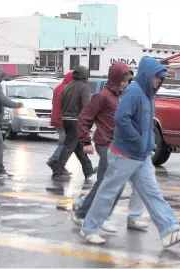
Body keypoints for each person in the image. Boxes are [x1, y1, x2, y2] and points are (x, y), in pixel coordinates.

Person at [80, 56, 180, 247]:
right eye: (158, 78)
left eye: (161, 78)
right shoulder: (134, 92)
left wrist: (147, 143)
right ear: (148, 75)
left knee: (153, 193)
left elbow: (145, 124)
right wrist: (140, 141)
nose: (159, 82)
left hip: (140, 155)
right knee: (108, 191)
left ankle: (169, 231)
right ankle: (89, 228)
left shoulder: (147, 94)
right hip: (124, 154)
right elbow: (122, 119)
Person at [71, 62, 148, 233]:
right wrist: (85, 142)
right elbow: (84, 118)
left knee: (111, 184)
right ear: (115, 79)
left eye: (128, 81)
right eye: (123, 80)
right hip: (105, 144)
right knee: (106, 183)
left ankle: (95, 213)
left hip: (119, 145)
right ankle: (83, 214)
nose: (126, 83)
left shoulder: (122, 97)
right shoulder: (102, 96)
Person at [50, 65, 96, 181]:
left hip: (66, 120)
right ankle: (58, 171)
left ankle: (88, 170)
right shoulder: (84, 87)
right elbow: (86, 107)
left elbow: (62, 104)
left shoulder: (67, 87)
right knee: (69, 146)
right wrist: (88, 122)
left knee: (78, 146)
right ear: (84, 75)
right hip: (76, 120)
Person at [47, 72, 73, 176]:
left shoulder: (58, 87)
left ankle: (59, 165)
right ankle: (54, 160)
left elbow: (54, 103)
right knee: (64, 143)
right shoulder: (68, 89)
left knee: (65, 143)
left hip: (56, 118)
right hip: (64, 119)